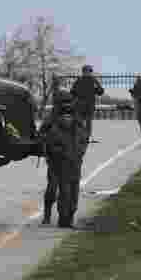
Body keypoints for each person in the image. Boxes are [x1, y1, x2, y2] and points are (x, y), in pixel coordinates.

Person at [38, 90, 89, 229]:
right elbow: (42, 135)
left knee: (71, 191)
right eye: (63, 103)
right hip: (56, 162)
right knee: (52, 188)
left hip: (73, 161)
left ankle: (68, 217)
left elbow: (83, 138)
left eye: (68, 102)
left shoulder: (77, 119)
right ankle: (48, 214)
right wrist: (52, 148)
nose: (66, 106)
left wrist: (79, 153)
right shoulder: (51, 119)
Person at [70, 65, 104, 142]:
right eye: (87, 71)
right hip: (81, 104)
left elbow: (100, 92)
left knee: (87, 121)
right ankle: (81, 137)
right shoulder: (83, 80)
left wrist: (96, 89)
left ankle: (86, 137)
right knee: (81, 121)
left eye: (89, 71)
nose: (87, 73)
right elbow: (72, 92)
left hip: (88, 104)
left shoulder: (92, 80)